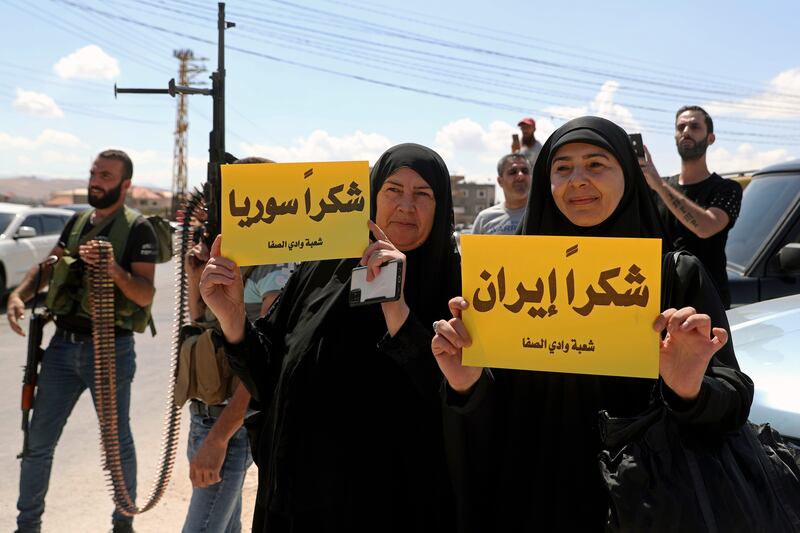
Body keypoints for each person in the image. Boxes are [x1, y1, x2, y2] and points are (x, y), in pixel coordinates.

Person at [431, 117, 753, 532]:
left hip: (644, 505)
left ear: (627, 175)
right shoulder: (507, 278)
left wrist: (690, 389)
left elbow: (733, 399)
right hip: (532, 500)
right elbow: (493, 413)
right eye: (562, 168)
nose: (577, 180)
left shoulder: (673, 277)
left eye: (596, 165)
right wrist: (466, 385)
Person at [199, 143, 460, 532]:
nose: (406, 205)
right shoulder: (324, 267)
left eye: (422, 194)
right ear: (372, 198)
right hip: (294, 498)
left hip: (384, 506)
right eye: (392, 190)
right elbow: (267, 376)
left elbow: (452, 399)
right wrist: (233, 318)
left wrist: (396, 307)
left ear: (440, 208)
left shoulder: (454, 288)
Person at [6, 149, 157, 533]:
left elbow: (144, 294)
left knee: (116, 443)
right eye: (93, 173)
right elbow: (48, 267)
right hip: (62, 348)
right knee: (38, 442)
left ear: (124, 185)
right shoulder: (77, 222)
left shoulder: (138, 229)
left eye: (105, 175)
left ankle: (123, 521)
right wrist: (19, 295)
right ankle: (28, 526)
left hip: (111, 349)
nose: (95, 180)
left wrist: (113, 271)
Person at [180, 156, 293, 533]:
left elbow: (263, 364)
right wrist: (198, 279)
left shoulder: (274, 268)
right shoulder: (236, 255)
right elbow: (203, 327)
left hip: (231, 423)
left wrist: (218, 438)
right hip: (206, 412)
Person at [640, 105, 742, 308]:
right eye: (681, 127)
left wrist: (659, 185)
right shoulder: (655, 187)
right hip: (661, 302)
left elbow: (706, 227)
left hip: (708, 304)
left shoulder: (727, 189)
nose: (686, 132)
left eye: (695, 127)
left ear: (710, 138)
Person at [471, 153, 531, 235]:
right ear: (500, 181)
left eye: (525, 171)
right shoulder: (484, 219)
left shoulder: (545, 215)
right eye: (513, 172)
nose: (520, 176)